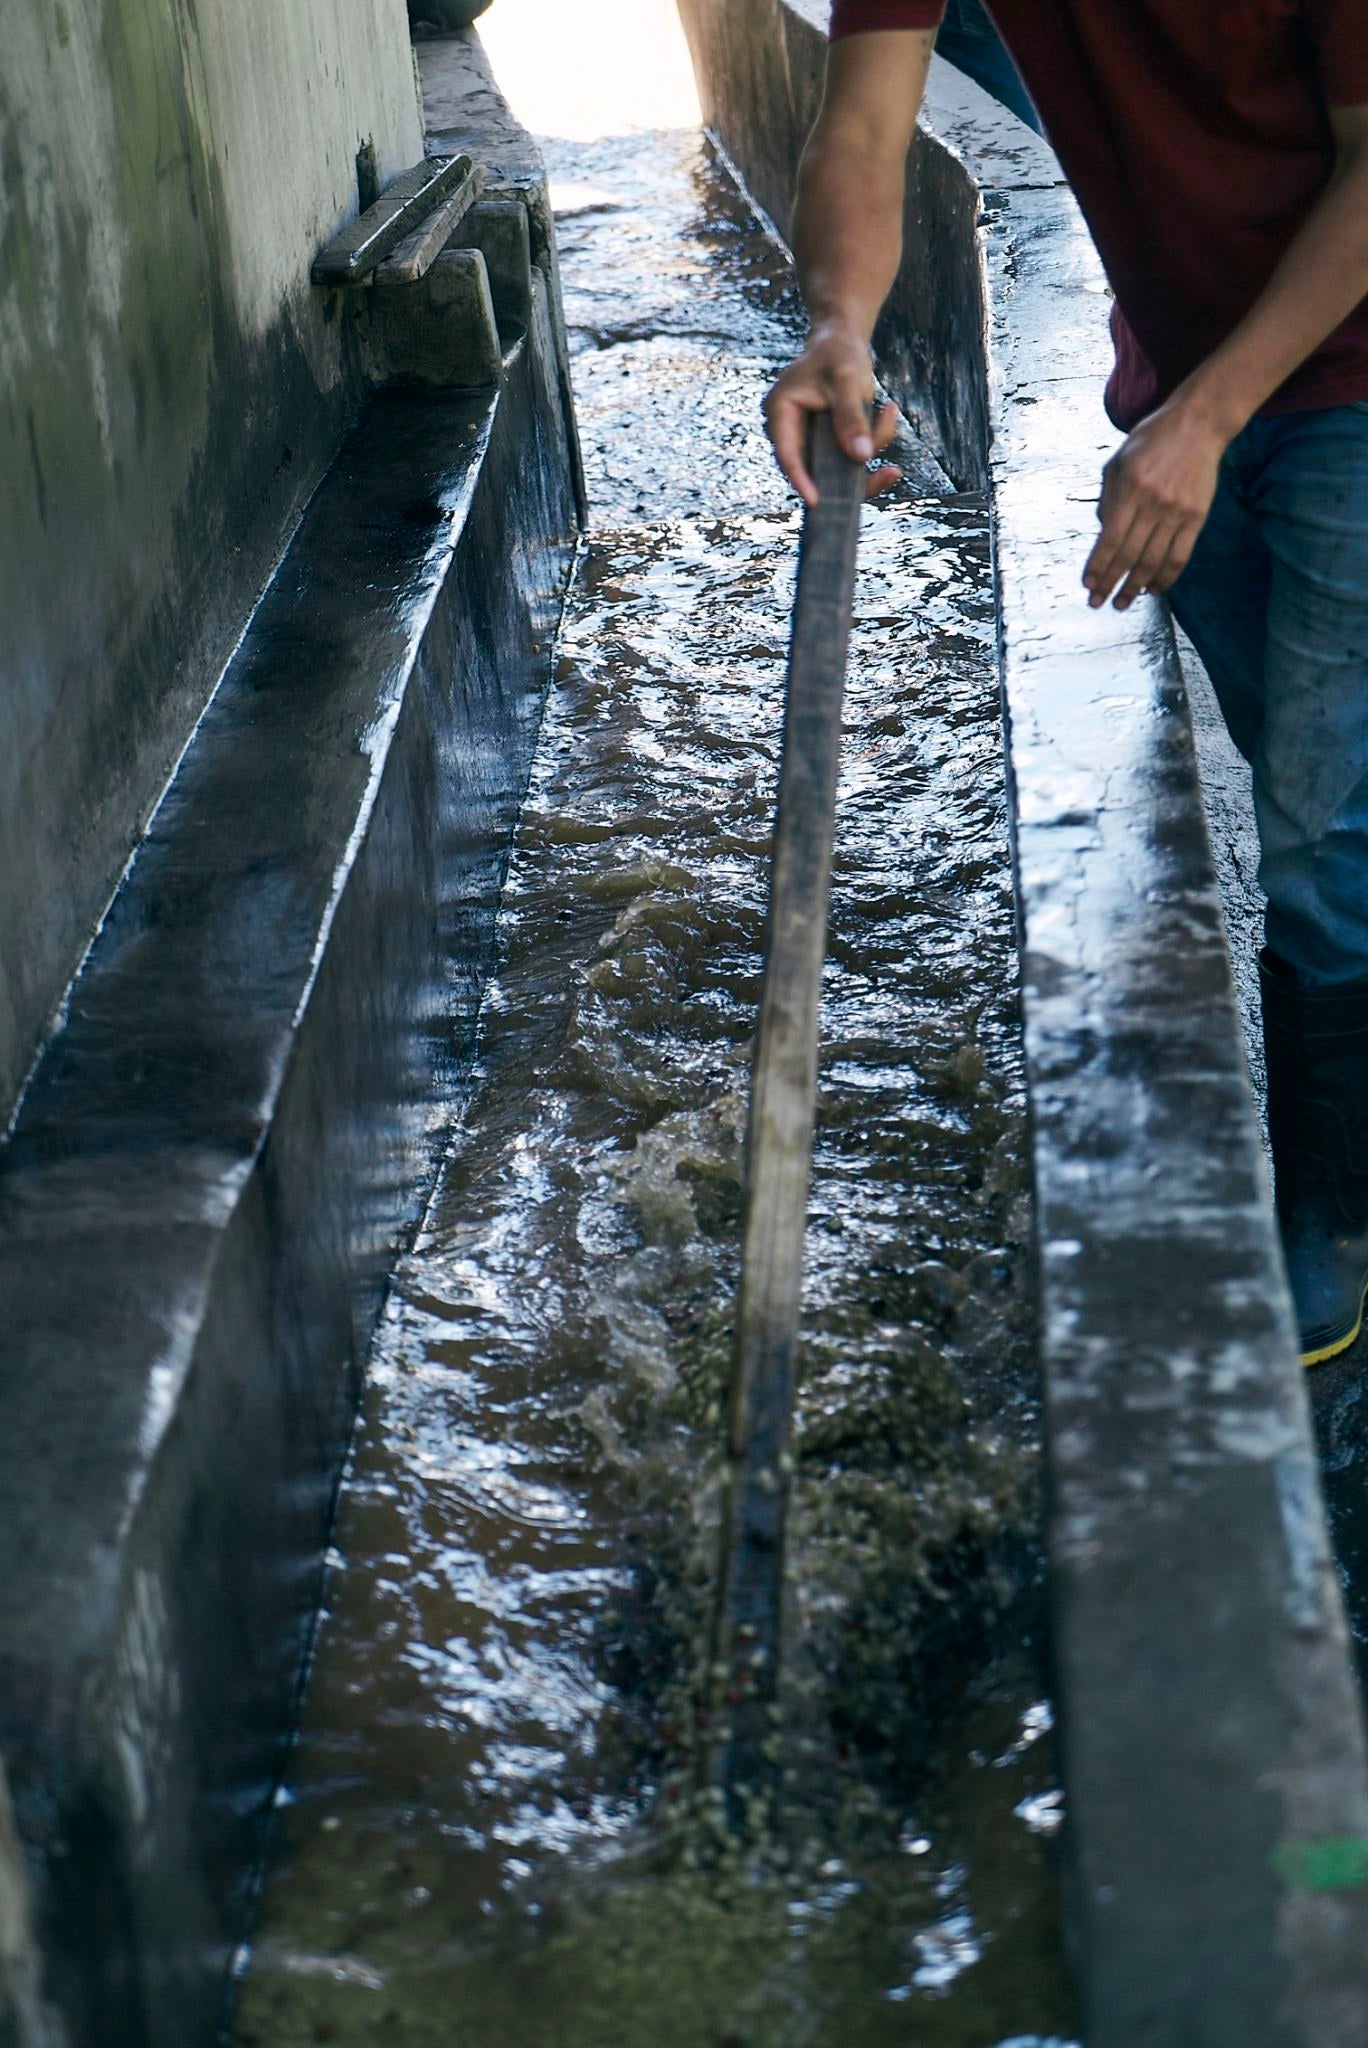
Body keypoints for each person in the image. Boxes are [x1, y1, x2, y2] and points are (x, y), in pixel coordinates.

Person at [764, 3, 1368, 1368]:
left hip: (1341, 378)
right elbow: (861, 123)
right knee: (1319, 790)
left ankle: (1333, 1216)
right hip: (1184, 381)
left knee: (1325, 835)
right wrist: (839, 327)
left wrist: (1200, 425)